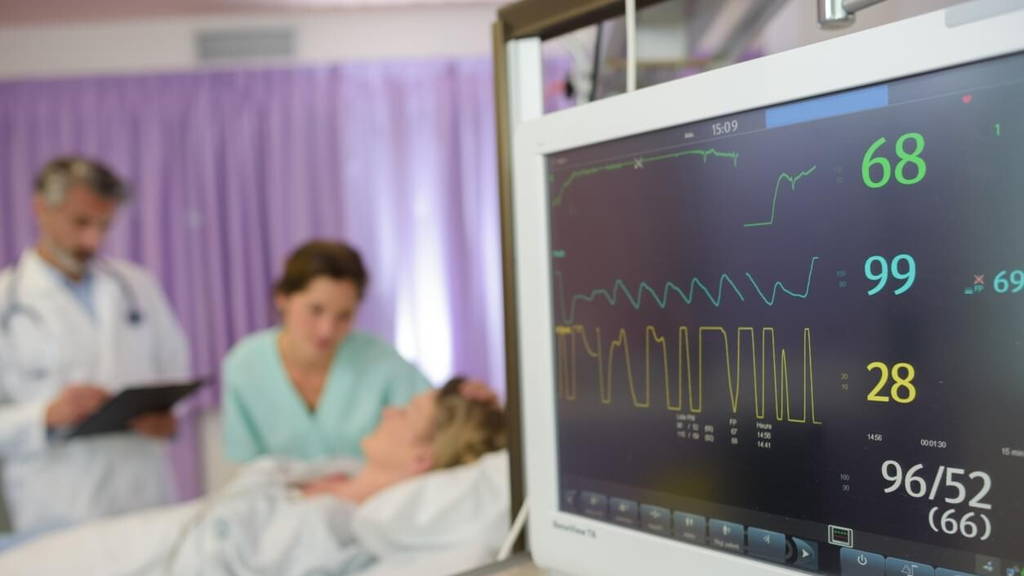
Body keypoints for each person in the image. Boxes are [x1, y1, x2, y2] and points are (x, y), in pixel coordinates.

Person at [0, 378, 508, 576]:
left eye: (407, 414)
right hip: (125, 535)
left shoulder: (340, 526)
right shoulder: (336, 470)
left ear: (423, 459)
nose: (389, 409)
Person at [0, 157, 191, 534]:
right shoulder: (7, 301)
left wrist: (167, 420)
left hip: (141, 492)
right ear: (41, 208)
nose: (94, 240)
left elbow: (174, 371)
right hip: (59, 502)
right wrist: (44, 415)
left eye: (104, 225)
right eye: (81, 223)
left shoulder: (137, 286)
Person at [222, 240, 432, 462]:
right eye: (315, 310)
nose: (327, 330)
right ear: (282, 299)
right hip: (279, 495)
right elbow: (243, 462)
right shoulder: (244, 366)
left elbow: (439, 422)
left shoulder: (382, 362)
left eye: (344, 315)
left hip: (373, 495)